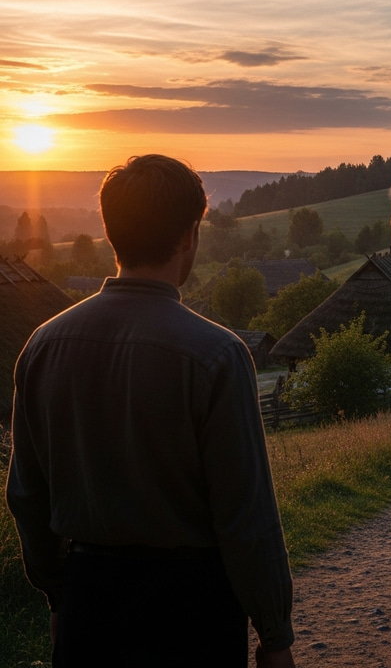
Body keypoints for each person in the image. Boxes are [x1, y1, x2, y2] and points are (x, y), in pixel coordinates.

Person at [5, 155, 295, 667]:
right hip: (192, 611)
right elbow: (247, 518)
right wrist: (273, 635)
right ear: (188, 236)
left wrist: (57, 595)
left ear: (111, 229)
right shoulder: (217, 356)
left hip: (88, 604)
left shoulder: (43, 347)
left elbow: (27, 495)